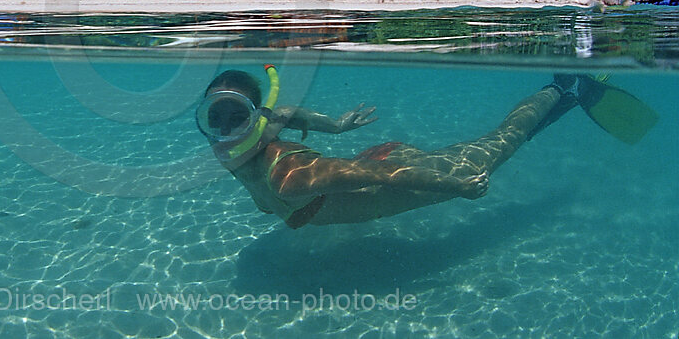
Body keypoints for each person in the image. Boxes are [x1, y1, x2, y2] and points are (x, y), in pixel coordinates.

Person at [196, 66, 656, 228]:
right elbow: (285, 113)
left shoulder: (284, 173)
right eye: (213, 119)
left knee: (497, 146)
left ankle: (560, 89)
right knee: (490, 146)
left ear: (255, 120)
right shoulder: (255, 140)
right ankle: (563, 97)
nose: (224, 131)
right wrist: (335, 126)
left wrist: (455, 185)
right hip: (367, 163)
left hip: (387, 175)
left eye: (237, 118)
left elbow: (377, 177)